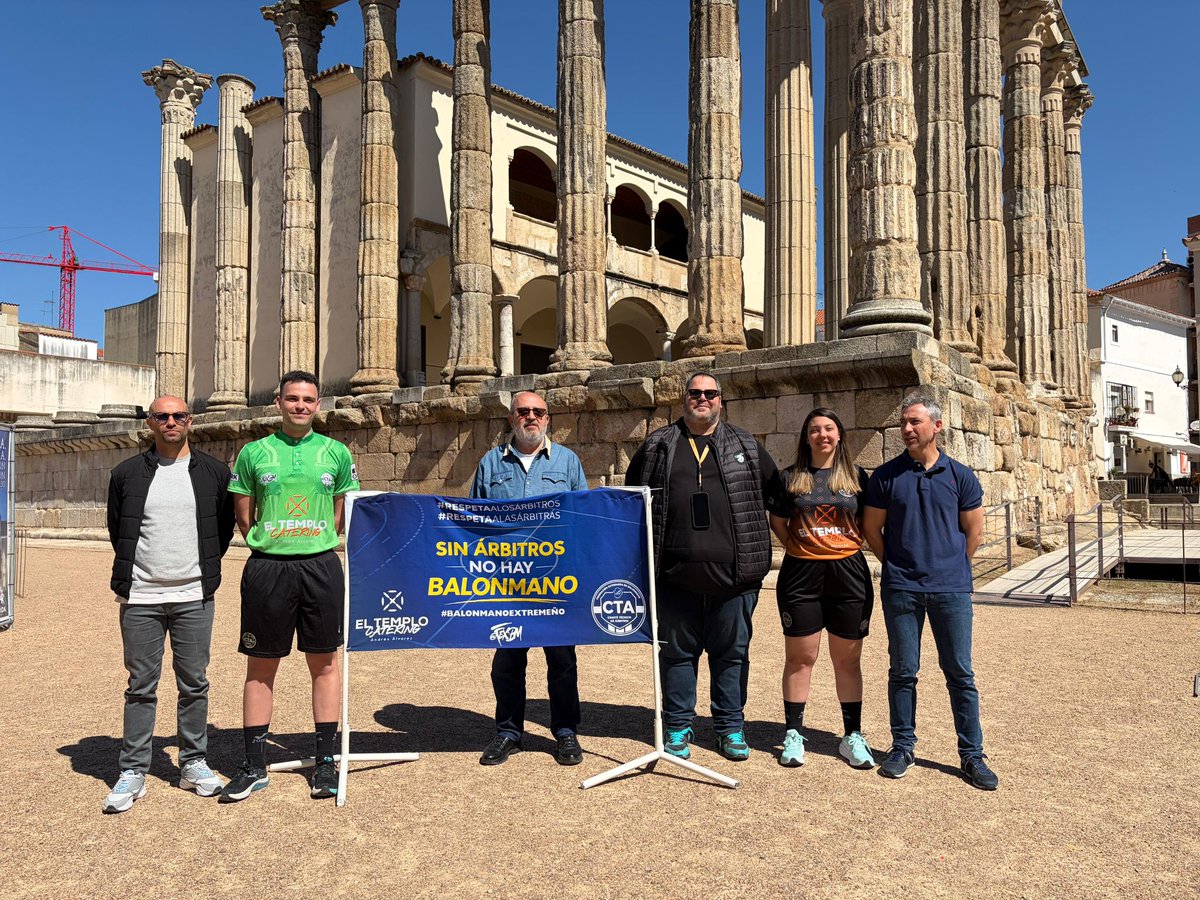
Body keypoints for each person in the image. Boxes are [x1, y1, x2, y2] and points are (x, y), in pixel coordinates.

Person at [219, 371, 360, 803]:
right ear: (277, 402)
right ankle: (255, 764)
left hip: (320, 565)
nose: (301, 405)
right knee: (261, 665)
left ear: (319, 405)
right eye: (293, 398)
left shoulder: (335, 453)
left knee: (325, 663)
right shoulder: (254, 453)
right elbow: (244, 515)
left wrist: (314, 538)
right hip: (268, 568)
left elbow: (340, 514)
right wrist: (272, 540)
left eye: (309, 399)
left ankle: (325, 763)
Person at [626, 372, 778, 762]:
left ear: (721, 401)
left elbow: (776, 497)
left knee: (732, 655)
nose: (703, 399)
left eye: (710, 394)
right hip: (673, 576)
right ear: (684, 399)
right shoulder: (658, 445)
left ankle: (729, 727)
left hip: (735, 576)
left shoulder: (745, 443)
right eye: (695, 393)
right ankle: (677, 726)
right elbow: (630, 501)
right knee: (676, 654)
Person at [103, 396, 234, 813]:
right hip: (141, 595)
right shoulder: (126, 473)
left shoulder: (214, 473)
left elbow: (223, 527)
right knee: (141, 686)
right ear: (150, 423)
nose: (171, 422)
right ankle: (134, 769)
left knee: (194, 682)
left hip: (194, 594)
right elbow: (117, 527)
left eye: (178, 415)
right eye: (162, 416)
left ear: (190, 421)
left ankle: (193, 761)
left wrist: (202, 570)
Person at [861, 392, 997, 790]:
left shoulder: (961, 476)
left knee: (960, 673)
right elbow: (872, 530)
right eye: (904, 422)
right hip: (901, 588)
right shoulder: (886, 477)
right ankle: (902, 746)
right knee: (903, 672)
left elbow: (974, 533)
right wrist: (899, 564)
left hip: (951, 590)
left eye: (915, 422)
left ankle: (972, 755)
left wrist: (951, 565)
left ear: (937, 426)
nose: (906, 429)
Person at [471, 390, 588, 767]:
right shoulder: (491, 463)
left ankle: (566, 732)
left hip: (555, 583)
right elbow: (474, 520)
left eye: (539, 411)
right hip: (506, 582)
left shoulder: (568, 462)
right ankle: (508, 731)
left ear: (548, 418)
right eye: (524, 411)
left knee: (562, 660)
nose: (531, 417)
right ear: (511, 419)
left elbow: (581, 517)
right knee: (507, 660)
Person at [764, 408, 875, 770]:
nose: (822, 435)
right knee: (800, 658)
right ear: (806, 437)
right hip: (801, 574)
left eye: (829, 428)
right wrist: (803, 546)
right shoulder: (789, 478)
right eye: (814, 429)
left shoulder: (859, 478)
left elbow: (869, 523)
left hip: (849, 574)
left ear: (840, 435)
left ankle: (851, 735)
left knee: (847, 660)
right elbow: (778, 522)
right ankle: (794, 734)